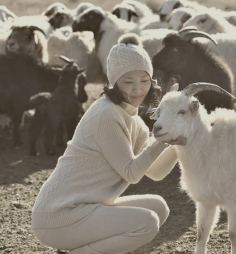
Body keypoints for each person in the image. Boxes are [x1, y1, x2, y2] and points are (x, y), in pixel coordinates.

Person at [31, 33, 179, 254]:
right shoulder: (106, 113)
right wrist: (161, 137)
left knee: (159, 207)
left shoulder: (134, 120)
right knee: (147, 222)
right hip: (58, 215)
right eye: (128, 82)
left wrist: (176, 140)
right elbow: (131, 173)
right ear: (114, 83)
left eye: (144, 80)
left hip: (86, 208)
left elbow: (155, 172)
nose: (138, 89)